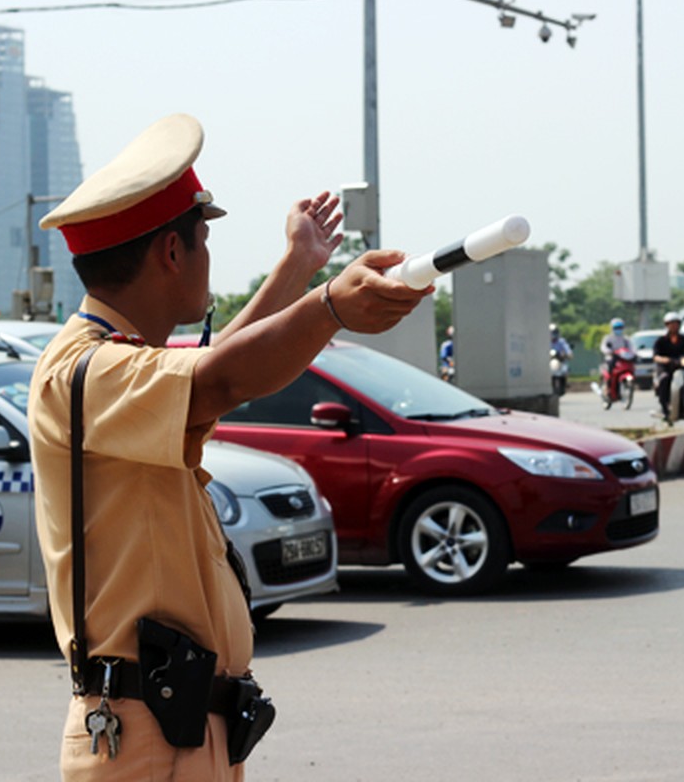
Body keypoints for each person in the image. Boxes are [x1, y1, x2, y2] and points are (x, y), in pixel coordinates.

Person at [28, 113, 428, 780]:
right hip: (143, 735)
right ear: (173, 253)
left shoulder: (118, 367)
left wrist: (299, 267)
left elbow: (216, 368)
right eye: (204, 238)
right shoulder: (88, 371)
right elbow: (223, 377)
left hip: (181, 725)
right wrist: (328, 305)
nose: (210, 255)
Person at [652, 311, 684, 422]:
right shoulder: (661, 340)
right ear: (666, 325)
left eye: (676, 323)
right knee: (664, 380)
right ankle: (664, 408)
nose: (674, 326)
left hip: (681, 366)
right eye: (671, 324)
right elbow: (655, 356)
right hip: (666, 367)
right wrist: (664, 359)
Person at [600, 317, 634, 386]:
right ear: (612, 328)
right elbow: (603, 347)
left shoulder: (625, 339)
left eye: (620, 327)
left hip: (623, 359)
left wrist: (633, 354)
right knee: (610, 372)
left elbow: (632, 349)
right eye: (616, 327)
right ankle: (608, 385)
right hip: (611, 358)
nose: (618, 329)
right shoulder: (608, 338)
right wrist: (610, 351)